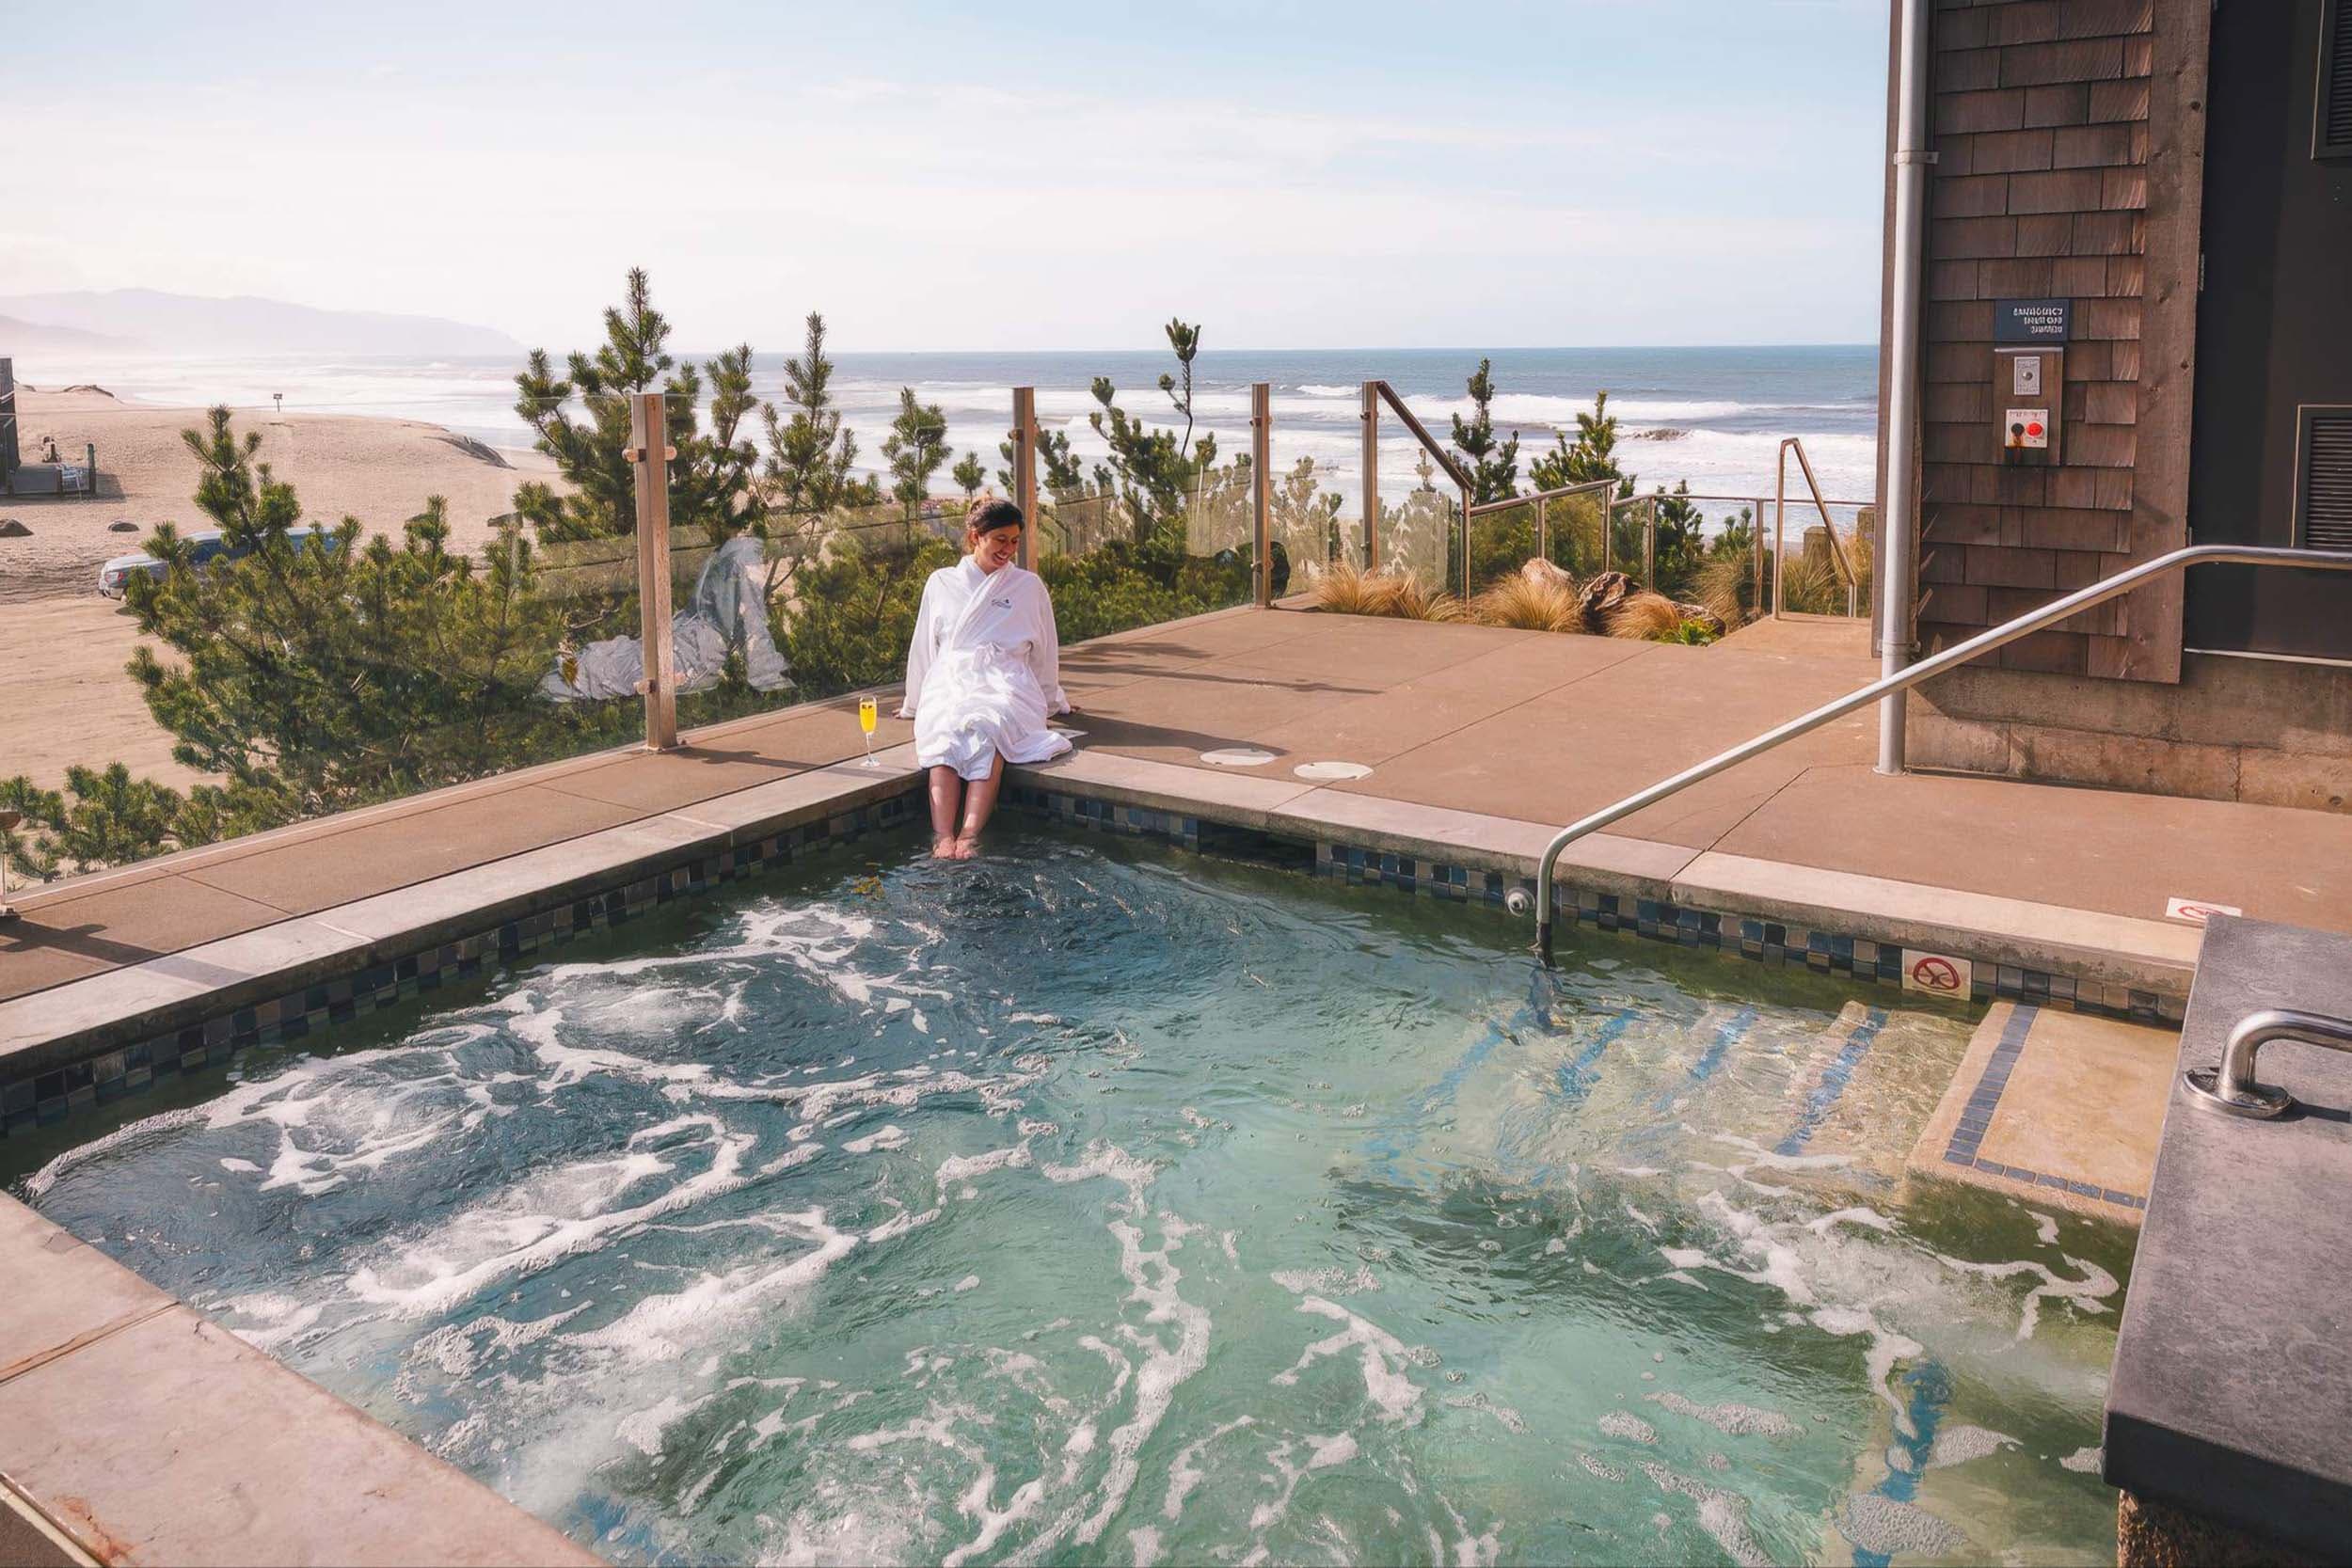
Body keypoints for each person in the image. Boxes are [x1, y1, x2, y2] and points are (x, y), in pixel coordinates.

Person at [898, 497, 1073, 858]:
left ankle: (970, 833)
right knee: (945, 731)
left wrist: (1053, 700)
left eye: (1014, 542)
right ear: (975, 537)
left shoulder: (1028, 586)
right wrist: (913, 704)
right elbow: (923, 648)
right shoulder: (941, 582)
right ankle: (942, 835)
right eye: (1000, 539)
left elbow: (1044, 651)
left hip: (1006, 677)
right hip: (952, 676)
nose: (1009, 549)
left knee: (989, 726)